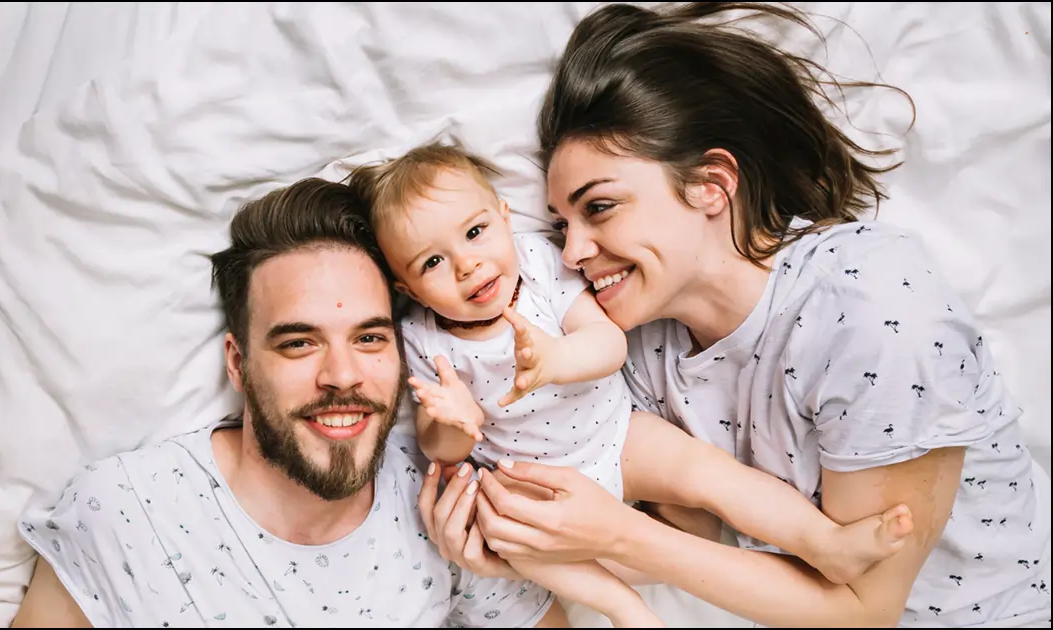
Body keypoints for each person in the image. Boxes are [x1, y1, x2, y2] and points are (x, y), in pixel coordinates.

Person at [422, 3, 1053, 628]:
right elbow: (694, 543)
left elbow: (866, 608)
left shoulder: (871, 303)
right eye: (563, 224)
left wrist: (616, 537)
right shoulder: (639, 349)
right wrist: (518, 554)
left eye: (601, 208)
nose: (574, 251)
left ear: (711, 184)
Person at [346, 140, 916, 628]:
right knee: (507, 534)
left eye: (475, 232)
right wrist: (452, 424)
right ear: (409, 288)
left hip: (617, 435)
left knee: (709, 474)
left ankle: (823, 543)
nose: (468, 265)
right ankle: (626, 609)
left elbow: (608, 344)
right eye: (432, 264)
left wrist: (556, 360)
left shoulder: (540, 269)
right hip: (531, 480)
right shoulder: (421, 338)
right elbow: (439, 447)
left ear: (503, 217)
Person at [9, 178, 569, 628]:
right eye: (299, 343)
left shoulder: (445, 507)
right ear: (238, 363)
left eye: (370, 338)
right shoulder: (124, 510)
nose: (343, 376)